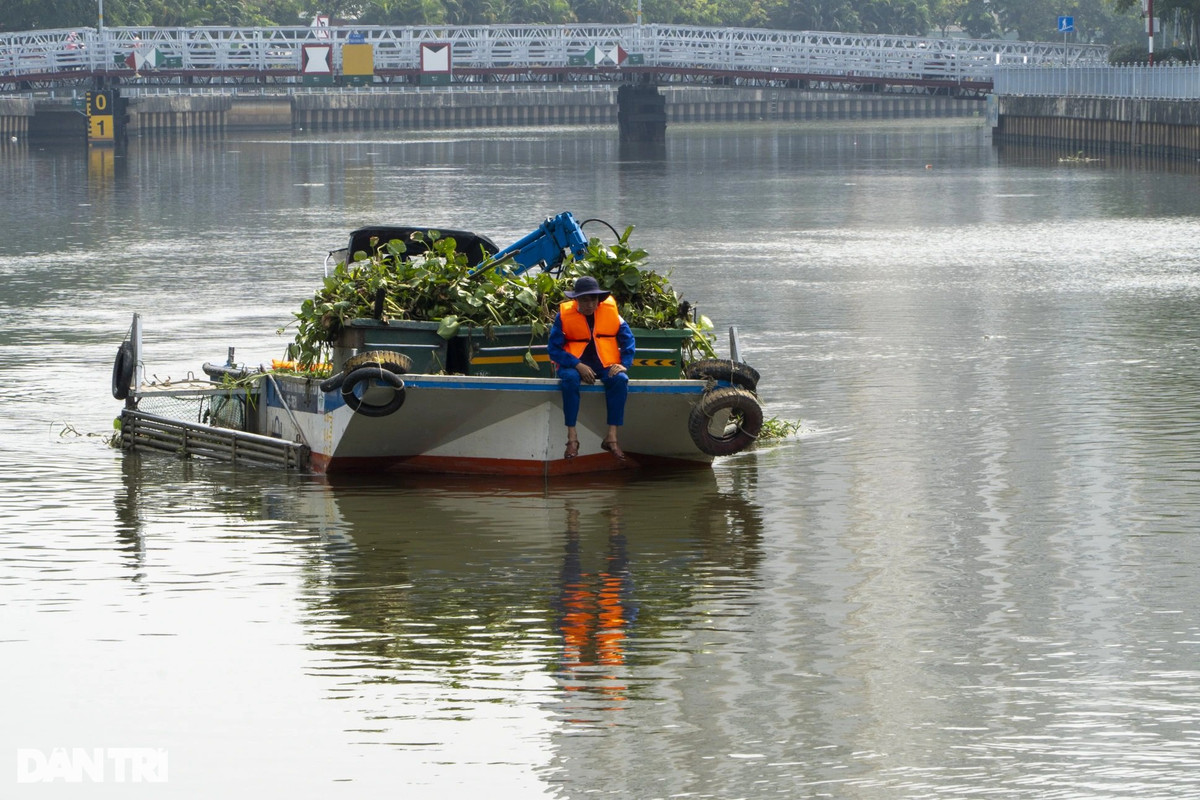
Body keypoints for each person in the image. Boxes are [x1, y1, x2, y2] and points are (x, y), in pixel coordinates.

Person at [548, 276, 636, 460]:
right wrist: (577, 365)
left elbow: (628, 339)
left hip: (604, 364)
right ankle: (572, 437)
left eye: (593, 300)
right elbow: (554, 349)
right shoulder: (563, 316)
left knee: (620, 380)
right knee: (570, 379)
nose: (589, 304)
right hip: (573, 363)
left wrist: (624, 364)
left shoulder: (612, 313)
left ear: (599, 300)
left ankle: (612, 436)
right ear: (576, 300)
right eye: (585, 300)